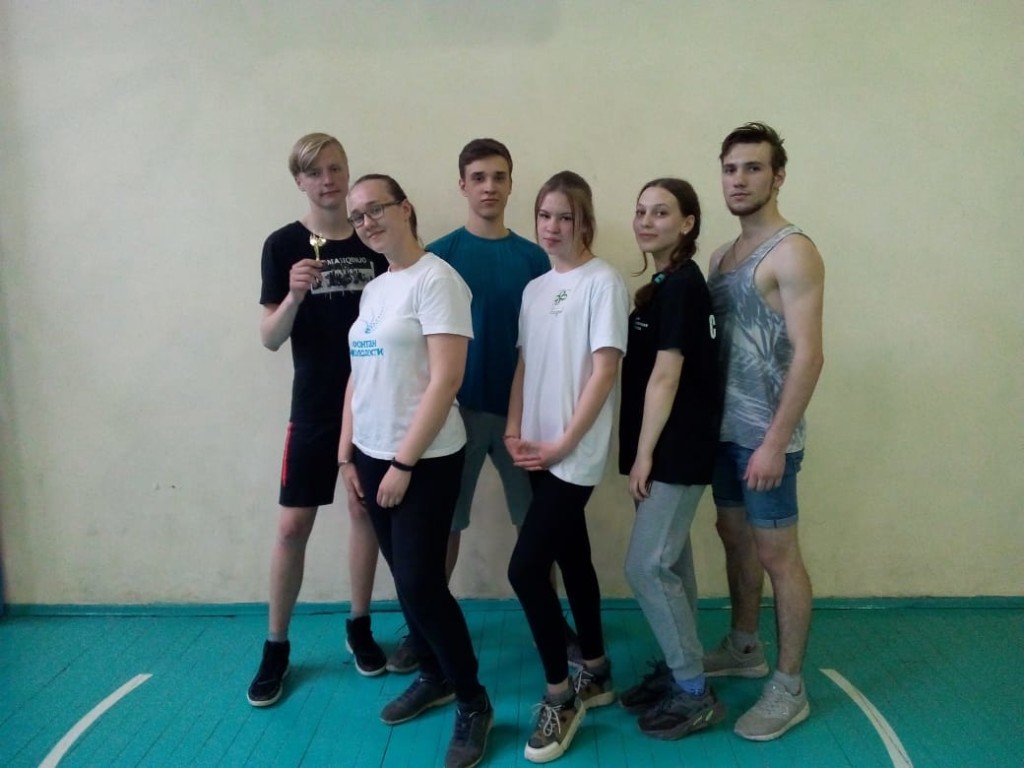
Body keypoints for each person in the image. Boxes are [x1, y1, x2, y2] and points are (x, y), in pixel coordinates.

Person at [377, 139, 552, 675]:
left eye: (499, 177)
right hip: (455, 418)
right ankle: (426, 632)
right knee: (444, 528)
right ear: (462, 185)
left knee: (537, 528)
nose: (489, 187)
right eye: (478, 177)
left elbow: (542, 342)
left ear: (511, 184)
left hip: (522, 417)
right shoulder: (440, 257)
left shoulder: (533, 258)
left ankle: (552, 626)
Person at [338, 174, 492, 768]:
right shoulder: (376, 289)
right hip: (371, 454)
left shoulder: (438, 280)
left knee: (422, 583)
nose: (366, 222)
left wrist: (403, 461)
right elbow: (358, 376)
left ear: (406, 208)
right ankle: (434, 674)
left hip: (424, 459)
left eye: (375, 208)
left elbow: (447, 379)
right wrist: (348, 454)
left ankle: (473, 700)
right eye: (357, 216)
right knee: (407, 582)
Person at [248, 133, 390, 708]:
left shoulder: (374, 239)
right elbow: (269, 338)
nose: (328, 180)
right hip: (312, 407)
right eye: (315, 172)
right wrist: (293, 297)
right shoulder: (283, 245)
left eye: (336, 168)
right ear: (300, 182)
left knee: (364, 511)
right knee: (291, 527)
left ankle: (359, 625)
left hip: (373, 403)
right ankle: (276, 646)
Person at [703, 122, 825, 741]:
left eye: (753, 168)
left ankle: (789, 686)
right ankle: (744, 645)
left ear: (778, 177)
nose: (739, 179)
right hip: (724, 433)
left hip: (765, 439)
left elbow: (809, 354)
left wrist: (776, 442)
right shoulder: (720, 257)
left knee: (779, 555)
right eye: (731, 169)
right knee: (735, 539)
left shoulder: (792, 251)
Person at [505, 171, 629, 763]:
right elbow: (524, 366)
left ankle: (562, 695)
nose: (552, 227)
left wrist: (562, 445)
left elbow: (604, 372)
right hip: (534, 448)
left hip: (571, 454)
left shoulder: (603, 282)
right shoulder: (535, 289)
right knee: (572, 555)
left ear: (585, 223)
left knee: (525, 570)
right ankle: (597, 670)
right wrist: (514, 428)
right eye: (544, 216)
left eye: (565, 217)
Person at [616, 178, 725, 739]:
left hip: (676, 450)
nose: (646, 220)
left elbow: (667, 374)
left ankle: (694, 692)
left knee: (647, 566)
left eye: (661, 213)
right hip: (663, 448)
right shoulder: (664, 284)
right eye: (641, 211)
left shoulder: (682, 286)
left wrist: (644, 455)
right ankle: (682, 669)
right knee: (672, 563)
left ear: (687, 223)